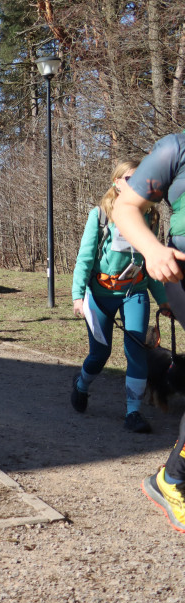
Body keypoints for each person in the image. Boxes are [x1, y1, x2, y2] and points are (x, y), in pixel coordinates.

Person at [109, 133, 185, 531]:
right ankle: (172, 477)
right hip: (118, 288)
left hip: (145, 288)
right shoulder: (176, 149)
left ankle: (170, 475)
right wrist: (154, 251)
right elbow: (125, 211)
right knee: (105, 351)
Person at [71, 159, 169, 435]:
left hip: (134, 292)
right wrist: (78, 295)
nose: (135, 183)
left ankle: (133, 412)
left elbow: (151, 262)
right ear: (116, 182)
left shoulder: (150, 215)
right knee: (99, 354)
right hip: (100, 295)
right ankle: (81, 384)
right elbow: (85, 259)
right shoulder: (100, 215)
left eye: (140, 178)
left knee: (136, 349)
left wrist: (163, 300)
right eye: (129, 178)